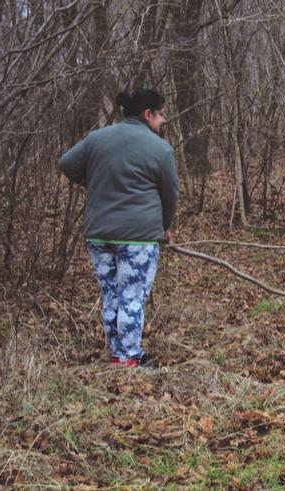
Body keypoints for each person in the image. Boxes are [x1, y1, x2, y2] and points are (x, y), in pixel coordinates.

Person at [58, 88, 178, 368]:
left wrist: (98, 183)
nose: (164, 121)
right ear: (147, 114)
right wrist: (164, 227)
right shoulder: (160, 149)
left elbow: (66, 164)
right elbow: (170, 196)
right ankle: (129, 358)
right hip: (137, 238)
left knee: (112, 293)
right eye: (161, 115)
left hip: (98, 235)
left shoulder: (98, 138)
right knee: (132, 295)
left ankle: (117, 352)